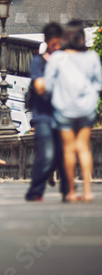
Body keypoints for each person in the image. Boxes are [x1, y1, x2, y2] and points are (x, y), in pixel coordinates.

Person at [43, 20, 102, 203]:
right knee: (83, 148)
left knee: (69, 149)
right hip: (86, 108)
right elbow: (99, 83)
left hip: (64, 109)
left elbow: (48, 86)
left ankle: (71, 192)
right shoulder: (92, 56)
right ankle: (87, 191)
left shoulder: (57, 58)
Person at [25, 22, 69, 202]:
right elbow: (39, 87)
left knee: (63, 155)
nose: (57, 48)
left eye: (59, 44)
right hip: (42, 115)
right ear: (47, 42)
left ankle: (68, 192)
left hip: (61, 114)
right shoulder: (38, 61)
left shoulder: (65, 60)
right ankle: (35, 191)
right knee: (47, 154)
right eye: (54, 44)